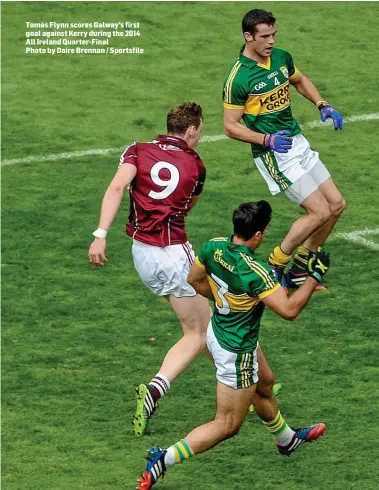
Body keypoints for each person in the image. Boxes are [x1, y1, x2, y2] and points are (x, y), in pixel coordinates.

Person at [137, 201, 330, 489]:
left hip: (218, 331)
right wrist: (313, 278)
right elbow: (289, 310)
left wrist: (223, 301)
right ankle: (163, 459)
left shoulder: (213, 246)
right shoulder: (256, 271)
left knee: (265, 383)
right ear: (258, 235)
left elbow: (194, 279)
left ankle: (286, 439)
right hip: (237, 350)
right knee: (227, 425)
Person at [88, 102, 211, 437]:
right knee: (200, 331)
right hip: (173, 254)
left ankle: (250, 382)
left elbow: (117, 187)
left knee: (208, 322)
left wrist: (100, 235)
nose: (201, 135)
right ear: (190, 130)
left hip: (141, 254)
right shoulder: (195, 164)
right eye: (200, 129)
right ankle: (156, 389)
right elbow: (189, 204)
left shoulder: (137, 150)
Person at [223, 8, 345, 289]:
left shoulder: (281, 58)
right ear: (248, 36)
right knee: (319, 212)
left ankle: (302, 267)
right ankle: (276, 263)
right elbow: (230, 126)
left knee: (336, 204)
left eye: (273, 34)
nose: (271, 41)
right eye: (265, 36)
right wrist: (266, 140)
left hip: (296, 142)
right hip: (274, 155)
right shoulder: (239, 78)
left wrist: (322, 104)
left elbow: (299, 81)